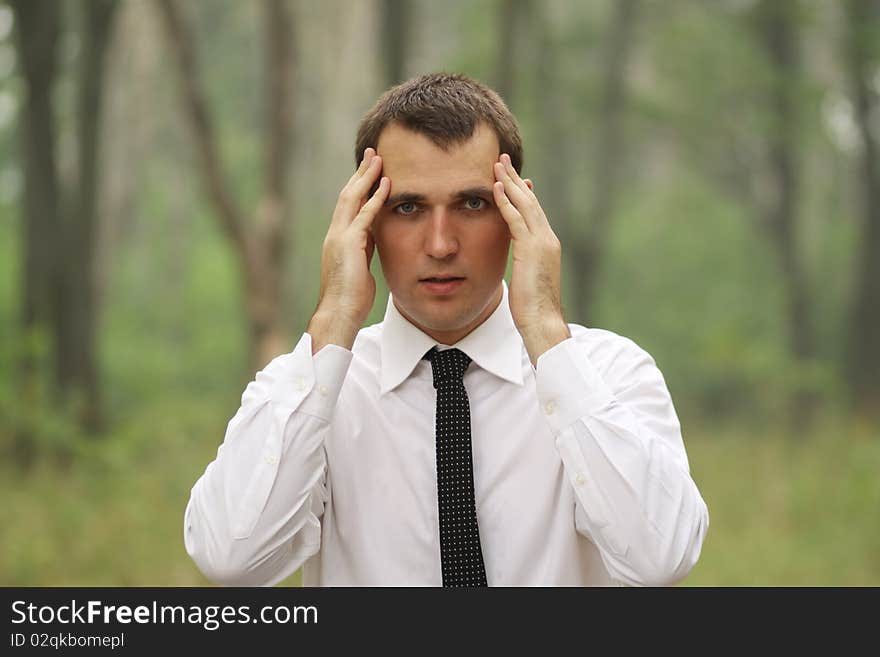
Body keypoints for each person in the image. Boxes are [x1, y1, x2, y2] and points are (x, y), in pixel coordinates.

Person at [184, 73, 709, 587]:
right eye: (407, 207)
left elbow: (660, 560)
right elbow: (231, 562)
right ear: (363, 221)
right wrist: (333, 319)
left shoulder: (608, 373)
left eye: (472, 204)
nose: (440, 244)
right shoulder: (312, 389)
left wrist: (548, 333)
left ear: (518, 213)